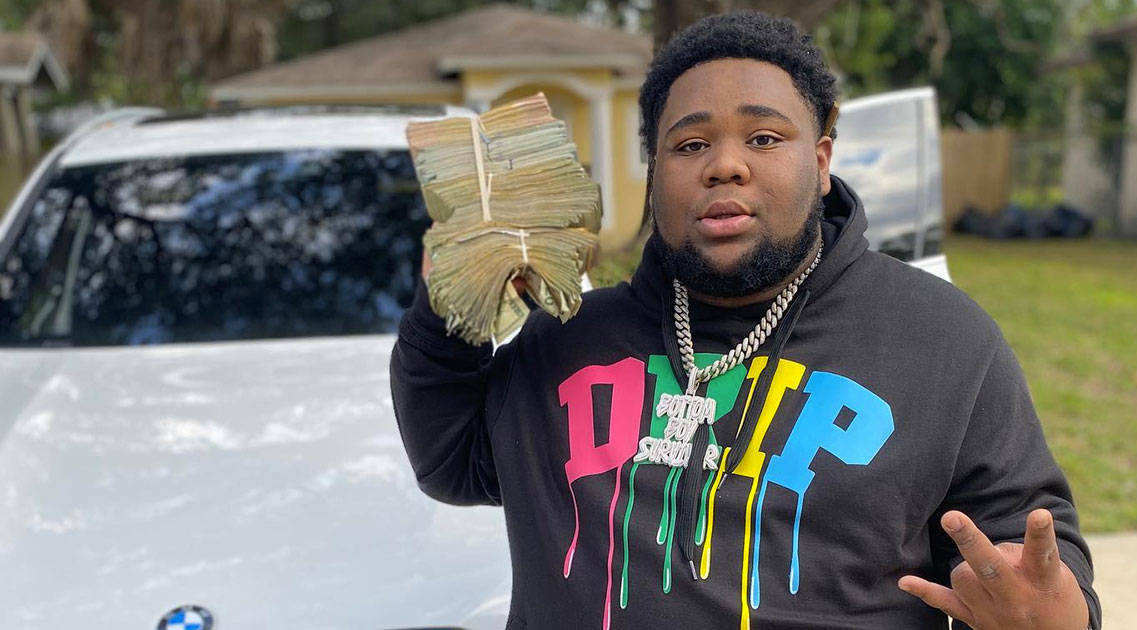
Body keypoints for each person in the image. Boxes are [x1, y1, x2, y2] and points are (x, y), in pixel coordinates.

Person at [391, 10, 1100, 630]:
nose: (725, 165)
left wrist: (1053, 615)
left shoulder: (942, 341)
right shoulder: (567, 336)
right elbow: (451, 462)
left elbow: (1029, 553)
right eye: (690, 145)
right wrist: (449, 311)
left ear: (820, 161)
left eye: (764, 138)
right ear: (654, 172)